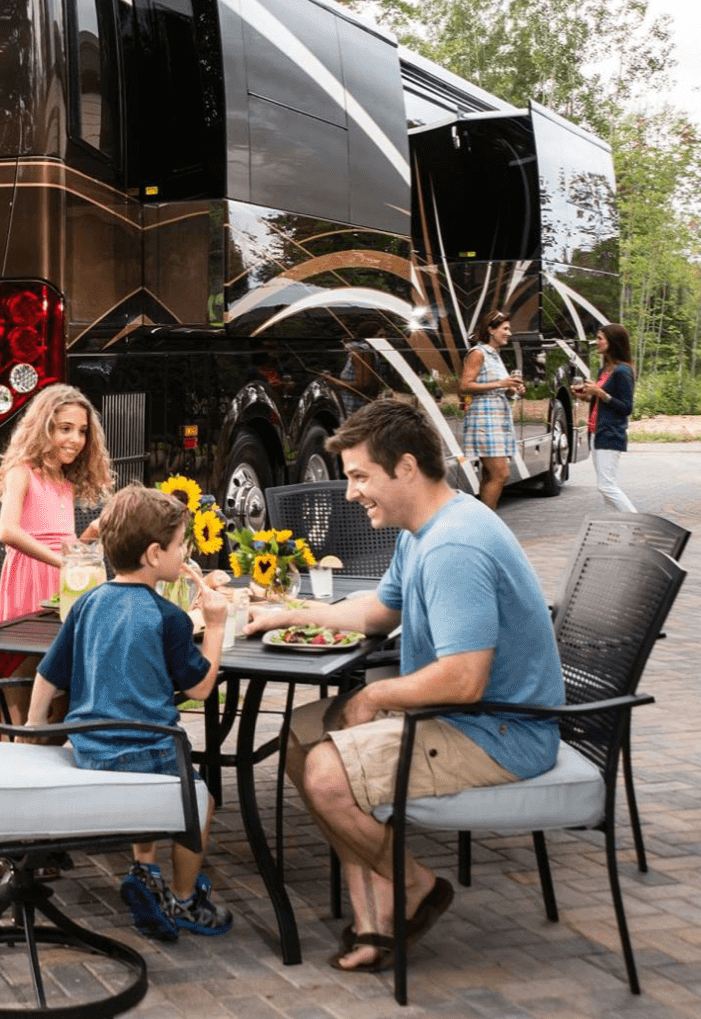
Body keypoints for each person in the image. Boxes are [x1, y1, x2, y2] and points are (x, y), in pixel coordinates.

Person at [245, 398, 563, 974]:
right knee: (299, 736)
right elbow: (377, 612)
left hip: (499, 730)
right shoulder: (429, 526)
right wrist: (291, 613)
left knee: (326, 772)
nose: (350, 493)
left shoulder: (453, 546)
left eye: (361, 477)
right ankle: (377, 907)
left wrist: (371, 697)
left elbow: (464, 679)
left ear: (407, 468)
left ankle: (413, 884)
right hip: (471, 715)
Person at [24, 485, 234, 941]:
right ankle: (183, 899)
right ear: (156, 554)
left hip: (90, 749)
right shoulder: (169, 617)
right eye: (182, 545)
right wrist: (215, 626)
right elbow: (199, 688)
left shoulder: (87, 603)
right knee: (200, 801)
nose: (187, 552)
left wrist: (31, 733)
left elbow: (48, 677)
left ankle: (146, 870)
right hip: (149, 751)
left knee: (155, 771)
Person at [0, 385, 114, 724]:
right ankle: (22, 731)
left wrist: (89, 536)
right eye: (65, 428)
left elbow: (64, 542)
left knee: (58, 668)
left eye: (82, 431)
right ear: (43, 428)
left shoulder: (65, 481)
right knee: (31, 661)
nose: (75, 439)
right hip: (31, 578)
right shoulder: (23, 471)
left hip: (61, 581)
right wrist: (64, 562)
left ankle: (45, 731)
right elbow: (8, 531)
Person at [460, 311, 526, 509]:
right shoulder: (478, 353)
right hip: (484, 420)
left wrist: (513, 389)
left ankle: (484, 523)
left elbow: (496, 387)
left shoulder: (495, 355)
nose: (509, 333)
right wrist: (500, 383)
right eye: (505, 329)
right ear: (490, 329)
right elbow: (464, 386)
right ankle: (488, 524)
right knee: (501, 474)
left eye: (509, 329)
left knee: (490, 475)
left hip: (497, 419)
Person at [573, 323, 637, 512]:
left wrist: (600, 393)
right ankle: (618, 527)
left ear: (613, 342)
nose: (596, 342)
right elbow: (600, 402)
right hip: (596, 432)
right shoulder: (605, 370)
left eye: (600, 339)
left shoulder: (623, 371)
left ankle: (636, 524)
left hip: (611, 433)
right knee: (606, 488)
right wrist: (584, 395)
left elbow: (626, 407)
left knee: (606, 486)